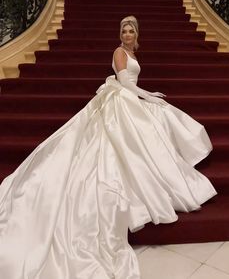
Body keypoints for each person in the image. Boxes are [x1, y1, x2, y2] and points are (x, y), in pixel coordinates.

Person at [0, 15, 217, 279]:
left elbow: (131, 84)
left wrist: (148, 96)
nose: (126, 34)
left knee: (158, 121)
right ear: (120, 34)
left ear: (136, 34)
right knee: (141, 128)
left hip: (129, 98)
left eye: (130, 30)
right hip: (122, 100)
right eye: (124, 31)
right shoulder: (118, 52)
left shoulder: (130, 52)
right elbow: (126, 84)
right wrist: (149, 96)